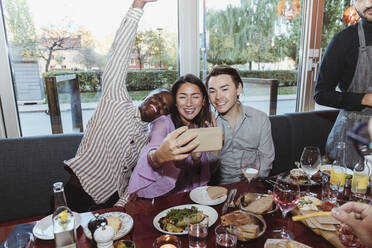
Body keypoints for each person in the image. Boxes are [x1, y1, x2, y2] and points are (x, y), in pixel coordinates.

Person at [64, 0, 197, 210]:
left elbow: (133, 177)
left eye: (164, 108)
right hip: (76, 194)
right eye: (158, 98)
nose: (159, 105)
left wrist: (121, 205)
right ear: (147, 96)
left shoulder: (147, 138)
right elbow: (118, 55)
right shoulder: (116, 101)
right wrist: (138, 6)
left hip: (109, 203)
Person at [128, 74, 213, 198]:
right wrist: (158, 156)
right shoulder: (163, 123)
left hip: (191, 198)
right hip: (165, 200)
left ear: (203, 100)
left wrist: (196, 160)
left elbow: (199, 177)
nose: (189, 103)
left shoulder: (199, 127)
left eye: (195, 96)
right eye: (182, 97)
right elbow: (153, 147)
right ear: (175, 102)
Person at [314, 0, 372, 168]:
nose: (369, 3)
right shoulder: (343, 40)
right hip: (352, 139)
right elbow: (321, 94)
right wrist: (364, 99)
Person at [205, 66, 275, 184]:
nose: (217, 97)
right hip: (220, 189)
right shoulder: (207, 124)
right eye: (212, 91)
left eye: (224, 89)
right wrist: (215, 150)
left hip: (253, 183)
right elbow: (207, 172)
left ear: (238, 88)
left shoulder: (260, 119)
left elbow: (266, 161)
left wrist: (252, 186)